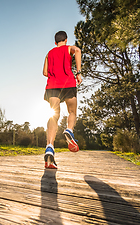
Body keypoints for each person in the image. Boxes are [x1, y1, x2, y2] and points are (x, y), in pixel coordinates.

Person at [43, 30, 82, 169]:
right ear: (65, 40)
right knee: (72, 111)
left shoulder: (49, 53)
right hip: (68, 83)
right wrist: (78, 72)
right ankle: (69, 130)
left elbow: (45, 73)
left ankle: (49, 146)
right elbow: (77, 50)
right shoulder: (68, 48)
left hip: (52, 86)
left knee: (54, 116)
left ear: (55, 42)